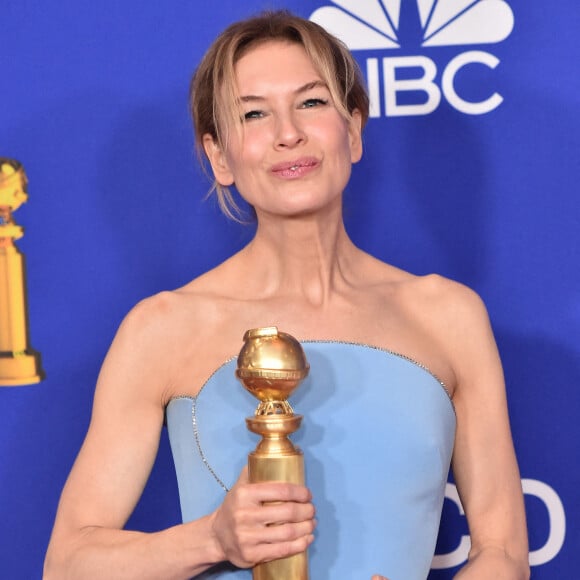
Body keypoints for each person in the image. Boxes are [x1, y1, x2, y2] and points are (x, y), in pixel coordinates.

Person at [44, 10, 529, 580]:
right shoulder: (164, 327)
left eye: (312, 102)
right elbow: (69, 564)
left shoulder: (449, 316)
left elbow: (503, 553)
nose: (287, 132)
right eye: (253, 113)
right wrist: (212, 538)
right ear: (220, 157)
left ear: (352, 130)